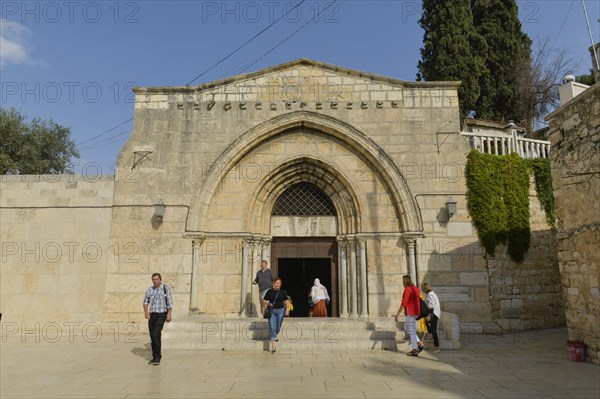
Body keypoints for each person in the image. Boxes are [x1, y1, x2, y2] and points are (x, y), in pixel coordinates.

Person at [143, 273, 173, 365]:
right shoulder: (150, 290)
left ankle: (157, 357)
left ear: (160, 279)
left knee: (156, 334)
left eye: (156, 279)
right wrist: (146, 312)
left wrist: (169, 314)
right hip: (152, 315)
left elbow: (169, 302)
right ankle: (154, 356)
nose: (155, 281)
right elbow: (145, 302)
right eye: (153, 279)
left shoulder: (165, 288)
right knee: (152, 336)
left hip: (161, 314)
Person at [395, 275, 424, 357]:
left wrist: (397, 314)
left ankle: (415, 350)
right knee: (407, 327)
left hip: (411, 311)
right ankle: (419, 343)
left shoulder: (407, 289)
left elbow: (404, 303)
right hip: (417, 311)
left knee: (410, 329)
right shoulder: (416, 288)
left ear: (404, 281)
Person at [262, 278, 290, 353]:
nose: (277, 284)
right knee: (272, 326)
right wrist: (268, 303)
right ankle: (273, 346)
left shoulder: (283, 292)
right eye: (276, 283)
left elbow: (287, 301)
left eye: (279, 283)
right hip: (272, 311)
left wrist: (287, 309)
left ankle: (275, 334)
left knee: (278, 326)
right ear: (273, 284)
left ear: (280, 285)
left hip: (280, 310)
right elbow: (264, 300)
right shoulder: (269, 291)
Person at [423, 282, 441, 352]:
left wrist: (426, 307)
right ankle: (432, 335)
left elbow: (431, 306)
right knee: (429, 326)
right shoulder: (433, 294)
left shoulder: (430, 295)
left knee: (433, 330)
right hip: (436, 313)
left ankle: (436, 347)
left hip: (433, 313)